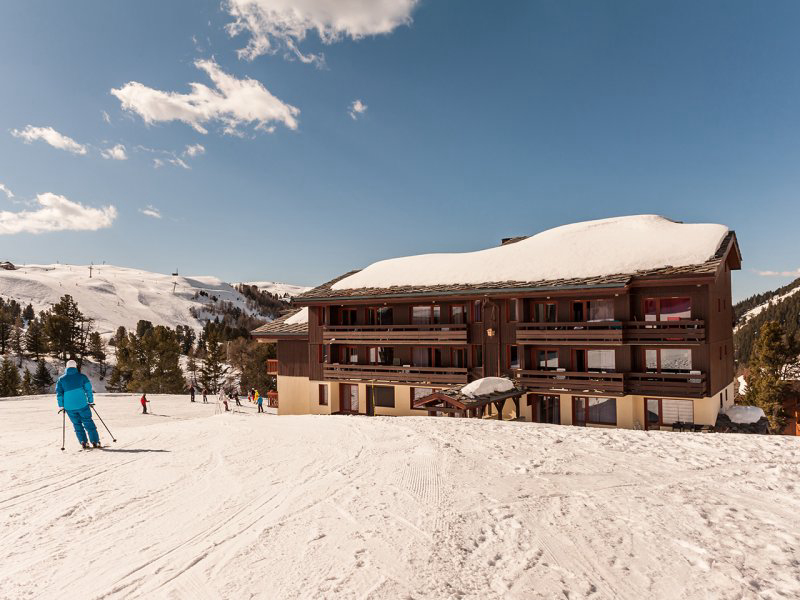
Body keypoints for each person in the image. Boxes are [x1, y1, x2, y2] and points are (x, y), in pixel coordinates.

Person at [57, 359, 100, 449]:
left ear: (67, 367)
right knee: (88, 422)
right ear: (75, 366)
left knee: (77, 424)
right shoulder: (82, 377)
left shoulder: (61, 379)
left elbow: (59, 394)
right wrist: (90, 401)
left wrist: (61, 405)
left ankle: (83, 442)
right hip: (82, 404)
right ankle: (95, 441)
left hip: (69, 407)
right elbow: (88, 389)